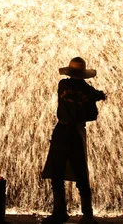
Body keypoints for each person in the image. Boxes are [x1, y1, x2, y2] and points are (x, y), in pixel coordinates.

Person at [41, 57, 107, 224]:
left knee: (57, 173)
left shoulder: (62, 85)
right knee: (81, 174)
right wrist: (101, 95)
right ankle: (87, 215)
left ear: (70, 72)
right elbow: (95, 102)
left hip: (60, 132)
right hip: (76, 133)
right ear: (84, 74)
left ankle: (59, 213)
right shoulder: (88, 91)